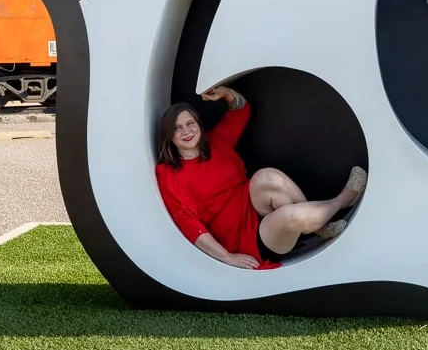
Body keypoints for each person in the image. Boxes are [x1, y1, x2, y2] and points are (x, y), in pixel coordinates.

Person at [155, 85, 366, 270]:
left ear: (198, 124)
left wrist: (227, 94)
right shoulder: (169, 173)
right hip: (247, 239)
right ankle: (343, 200)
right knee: (289, 216)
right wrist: (226, 256)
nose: (186, 131)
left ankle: (318, 225)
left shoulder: (214, 143)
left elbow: (241, 111)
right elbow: (189, 224)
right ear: (169, 137)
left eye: (190, 123)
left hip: (254, 206)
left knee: (266, 177)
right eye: (177, 128)